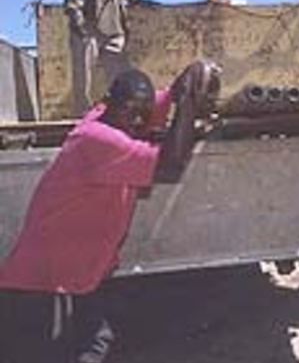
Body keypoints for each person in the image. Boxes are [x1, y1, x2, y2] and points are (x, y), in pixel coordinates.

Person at [0, 60, 220, 363]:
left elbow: (151, 103)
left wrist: (179, 86)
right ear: (108, 104)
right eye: (129, 110)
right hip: (42, 283)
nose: (137, 120)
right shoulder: (97, 139)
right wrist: (187, 105)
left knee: (95, 344)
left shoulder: (116, 116)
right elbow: (170, 165)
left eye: (141, 113)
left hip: (77, 276)